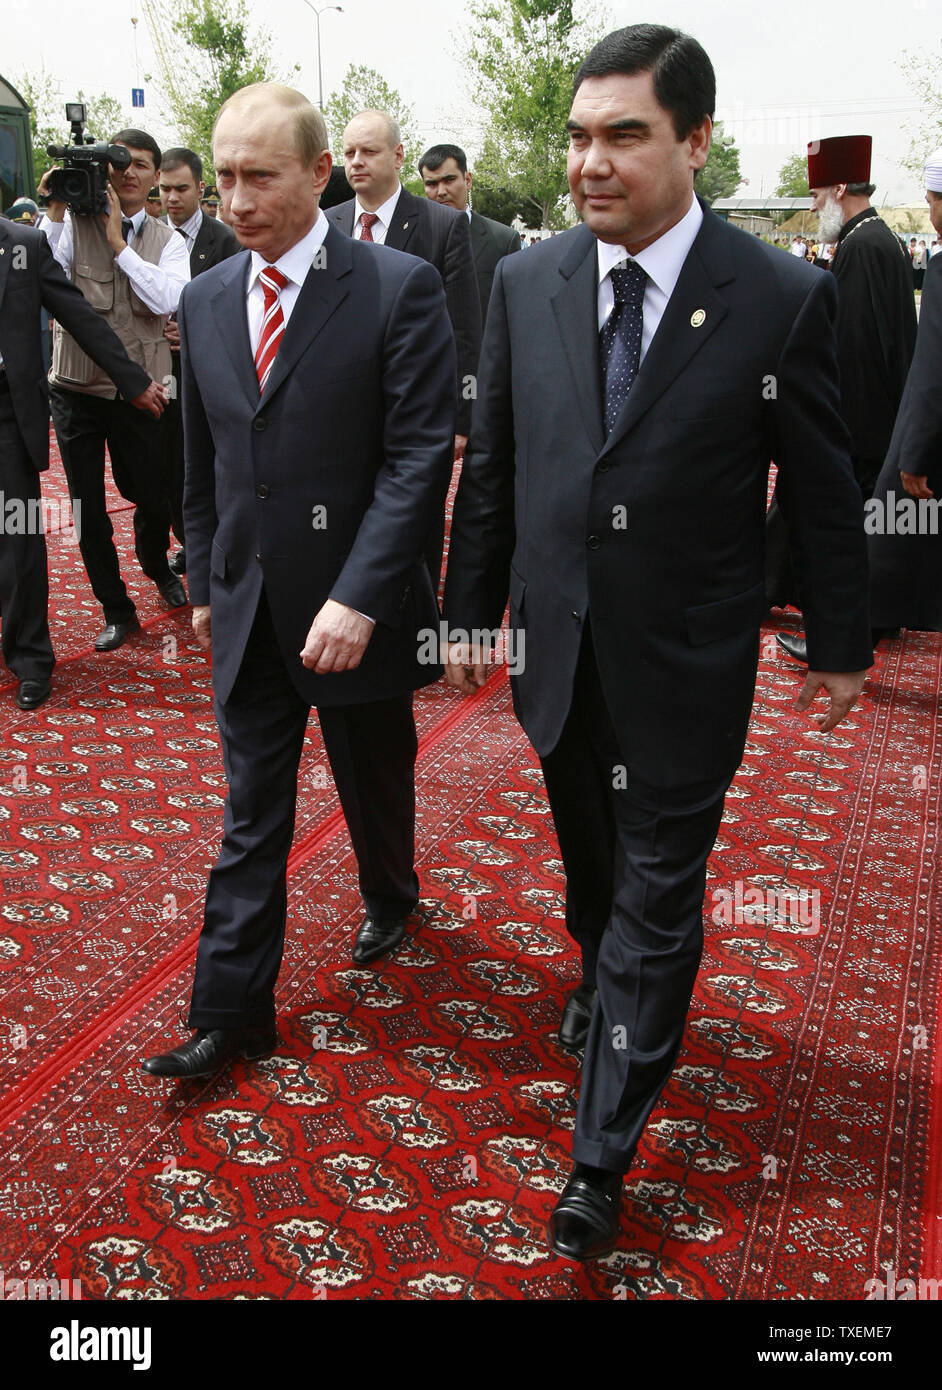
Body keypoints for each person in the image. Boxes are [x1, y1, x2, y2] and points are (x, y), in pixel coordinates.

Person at [442, 22, 870, 1262]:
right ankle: (599, 972)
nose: (590, 160)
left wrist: (842, 640)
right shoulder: (528, 284)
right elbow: (498, 470)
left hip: (687, 663)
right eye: (577, 135)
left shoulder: (784, 295)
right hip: (559, 659)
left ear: (694, 140)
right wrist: (472, 608)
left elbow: (825, 490)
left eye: (622, 134)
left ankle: (600, 1156)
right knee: (595, 873)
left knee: (657, 896)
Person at [141, 82, 456, 1079]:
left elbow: (417, 459)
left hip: (358, 603)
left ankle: (393, 893)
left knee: (374, 779)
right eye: (224, 176)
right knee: (250, 815)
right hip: (248, 605)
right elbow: (205, 460)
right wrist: (200, 579)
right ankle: (231, 1011)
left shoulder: (398, 287)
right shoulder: (202, 296)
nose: (234, 199)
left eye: (258, 176)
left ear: (320, 175)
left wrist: (360, 594)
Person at [0, 216, 165, 710]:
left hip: (6, 412)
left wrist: (131, 380)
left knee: (18, 537)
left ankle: (31, 659)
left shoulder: (23, 245)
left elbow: (79, 315)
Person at [39, 128, 190, 650]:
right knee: (88, 507)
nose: (129, 172)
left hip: (143, 390)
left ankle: (157, 567)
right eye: (118, 163)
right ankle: (115, 607)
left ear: (153, 176)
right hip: (75, 387)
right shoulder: (67, 226)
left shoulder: (169, 239)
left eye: (141, 165)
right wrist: (57, 208)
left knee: (152, 495)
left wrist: (118, 246)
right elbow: (43, 274)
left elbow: (169, 297)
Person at [770, 134, 917, 657]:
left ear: (838, 187)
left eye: (815, 196)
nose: (811, 208)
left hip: (862, 422)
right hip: (880, 417)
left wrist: (830, 425)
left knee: (844, 532)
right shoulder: (879, 238)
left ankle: (847, 632)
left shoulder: (862, 246)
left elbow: (853, 351)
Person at [325, 111, 480, 470]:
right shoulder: (326, 224)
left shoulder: (442, 225)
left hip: (415, 416)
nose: (357, 162)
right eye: (349, 154)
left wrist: (462, 416)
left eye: (369, 151)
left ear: (398, 156)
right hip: (337, 418)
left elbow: (465, 329)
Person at [868, 147, 942, 631]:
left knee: (888, 532)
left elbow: (933, 369)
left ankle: (853, 639)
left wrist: (913, 454)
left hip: (930, 444)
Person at [158, 147, 240, 576]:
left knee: (207, 460)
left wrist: (190, 335)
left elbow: (230, 307)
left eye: (181, 189)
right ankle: (189, 541)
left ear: (200, 188)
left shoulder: (223, 238)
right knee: (173, 465)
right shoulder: (148, 238)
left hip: (207, 371)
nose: (172, 198)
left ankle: (214, 543)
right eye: (165, 188)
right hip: (157, 374)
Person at [419, 143, 521, 323]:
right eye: (432, 184)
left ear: (468, 180)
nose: (441, 192)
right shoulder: (414, 238)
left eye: (449, 180)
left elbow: (514, 312)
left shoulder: (502, 241)